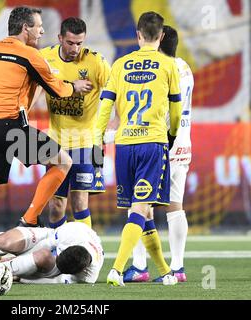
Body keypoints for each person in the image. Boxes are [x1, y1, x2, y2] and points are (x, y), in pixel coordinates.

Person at [0, 6, 93, 283]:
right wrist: (73, 86)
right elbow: (58, 89)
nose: (42, 31)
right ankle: (29, 218)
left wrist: (37, 80)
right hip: (11, 128)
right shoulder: (31, 54)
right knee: (63, 161)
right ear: (25, 28)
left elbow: (18, 81)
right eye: (38, 26)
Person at [95, 12, 182, 286]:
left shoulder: (120, 64)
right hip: (151, 144)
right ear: (162, 36)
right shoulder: (169, 66)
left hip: (124, 145)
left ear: (138, 35)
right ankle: (117, 270)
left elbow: (106, 104)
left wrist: (99, 135)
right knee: (141, 208)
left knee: (141, 212)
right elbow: (176, 112)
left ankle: (165, 271)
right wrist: (170, 135)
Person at [123, 26, 193, 283]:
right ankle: (178, 267)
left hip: (158, 142)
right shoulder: (184, 66)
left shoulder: (161, 69)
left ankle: (140, 266)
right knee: (175, 207)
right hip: (182, 144)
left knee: (139, 204)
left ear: (159, 40)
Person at [39, 17, 110, 229]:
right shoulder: (45, 58)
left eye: (80, 43)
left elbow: (116, 89)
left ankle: (87, 252)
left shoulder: (96, 62)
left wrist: (112, 121)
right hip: (57, 143)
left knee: (80, 203)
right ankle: (58, 251)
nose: (75, 48)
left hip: (85, 143)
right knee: (56, 205)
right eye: (70, 43)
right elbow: (34, 86)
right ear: (60, 38)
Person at [0, 221, 104, 284]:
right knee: (5, 242)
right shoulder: (73, 231)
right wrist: (13, 258)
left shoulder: (87, 276)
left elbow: (55, 281)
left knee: (43, 256)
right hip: (49, 237)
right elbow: (46, 244)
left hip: (50, 263)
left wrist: (20, 278)